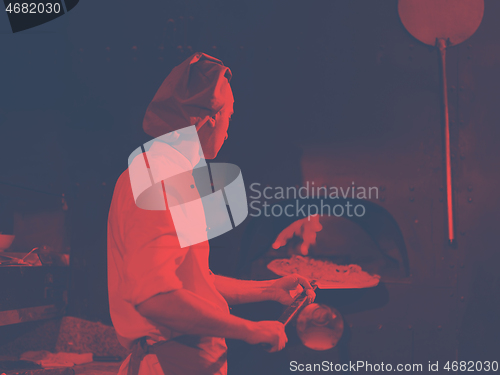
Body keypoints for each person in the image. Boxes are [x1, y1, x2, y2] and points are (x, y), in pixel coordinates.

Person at [107, 52, 315, 375]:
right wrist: (251, 330)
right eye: (229, 116)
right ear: (210, 118)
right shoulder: (159, 178)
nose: (229, 132)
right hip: (170, 364)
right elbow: (155, 298)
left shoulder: (165, 172)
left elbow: (193, 284)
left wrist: (270, 290)